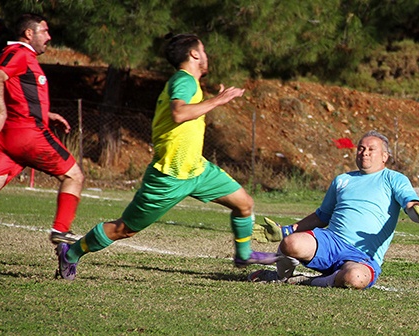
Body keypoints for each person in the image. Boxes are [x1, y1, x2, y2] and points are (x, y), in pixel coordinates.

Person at [55, 33, 278, 280]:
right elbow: (179, 114)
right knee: (124, 229)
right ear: (194, 54)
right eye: (202, 50)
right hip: (168, 176)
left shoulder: (188, 83)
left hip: (197, 169)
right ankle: (71, 253)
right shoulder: (184, 81)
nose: (206, 55)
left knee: (244, 203)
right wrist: (218, 100)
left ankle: (243, 255)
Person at [248, 130, 419, 289]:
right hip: (331, 243)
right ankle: (280, 277)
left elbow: (411, 205)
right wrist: (286, 230)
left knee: (355, 279)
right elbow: (322, 216)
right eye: (361, 148)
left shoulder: (394, 179)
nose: (364, 152)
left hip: (362, 256)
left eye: (371, 149)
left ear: (384, 157)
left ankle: (304, 280)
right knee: (291, 243)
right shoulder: (342, 180)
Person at [0, 13, 84, 245]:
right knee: (74, 175)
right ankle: (61, 231)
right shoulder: (19, 53)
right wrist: (1, 113)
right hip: (26, 134)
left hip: (7, 139)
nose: (49, 37)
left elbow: (18, 93)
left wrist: (46, 114)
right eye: (45, 31)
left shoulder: (22, 56)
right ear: (29, 34)